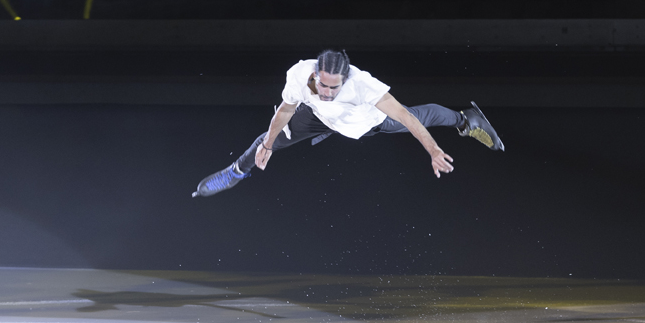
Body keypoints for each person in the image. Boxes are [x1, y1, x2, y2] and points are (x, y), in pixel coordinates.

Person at [192, 49, 504, 197]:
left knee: (423, 115)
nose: (326, 92)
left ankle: (466, 120)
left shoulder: (364, 85)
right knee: (266, 138)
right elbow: (285, 111)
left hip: (367, 123)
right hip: (316, 119)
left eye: (333, 87)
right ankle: (235, 172)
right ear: (316, 74)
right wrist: (270, 145)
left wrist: (434, 151)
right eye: (322, 85)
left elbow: (407, 117)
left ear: (345, 79)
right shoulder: (300, 75)